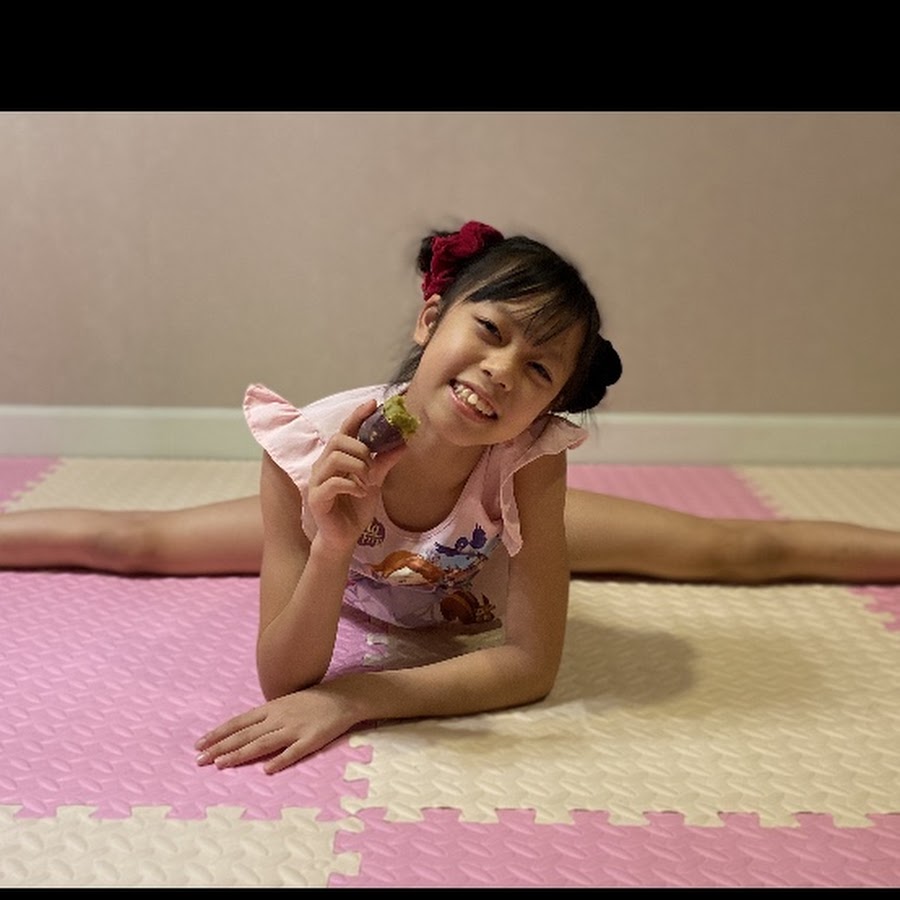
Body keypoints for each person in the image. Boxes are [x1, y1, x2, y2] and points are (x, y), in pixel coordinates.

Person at [2, 221, 900, 776]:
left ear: (549, 408)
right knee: (131, 542)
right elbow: (284, 677)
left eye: (539, 369)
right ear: (432, 320)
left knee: (737, 549)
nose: (502, 371)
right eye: (490, 330)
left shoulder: (527, 465)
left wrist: (356, 698)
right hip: (346, 523)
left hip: (485, 544)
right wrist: (330, 545)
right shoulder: (311, 450)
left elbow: (530, 666)